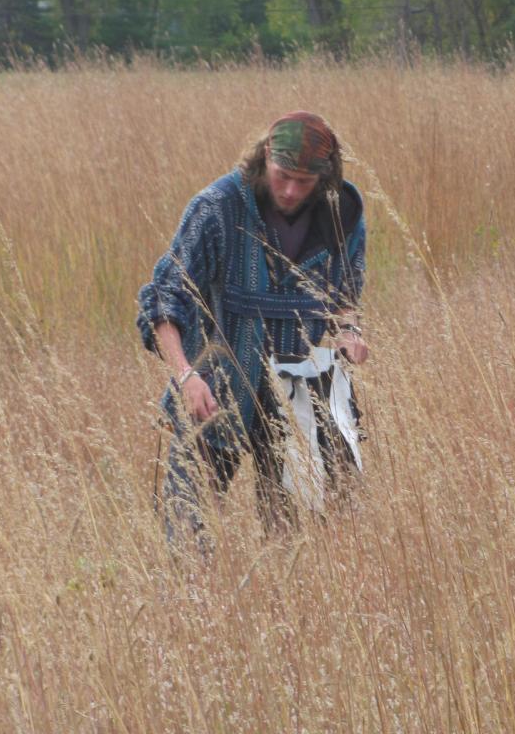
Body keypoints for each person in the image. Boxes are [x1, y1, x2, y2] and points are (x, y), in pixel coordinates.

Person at [137, 111, 368, 551]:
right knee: (187, 532)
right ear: (265, 157)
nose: (290, 191)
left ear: (325, 177)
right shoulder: (217, 207)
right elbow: (165, 298)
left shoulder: (343, 211)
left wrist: (348, 330)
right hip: (216, 385)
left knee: (297, 541)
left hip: (299, 393)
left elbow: (345, 292)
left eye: (305, 182)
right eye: (283, 177)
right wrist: (186, 375)